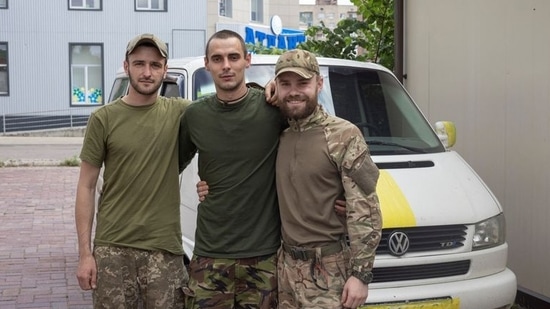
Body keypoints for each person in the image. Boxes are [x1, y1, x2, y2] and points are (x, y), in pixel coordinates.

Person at [75, 33, 191, 308]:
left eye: (155, 64)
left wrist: (268, 90)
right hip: (112, 249)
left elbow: (226, 110)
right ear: (126, 66)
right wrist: (85, 254)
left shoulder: (181, 113)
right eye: (139, 63)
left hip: (164, 250)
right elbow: (86, 186)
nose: (147, 72)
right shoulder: (103, 119)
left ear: (165, 69)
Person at [178, 29, 284, 308]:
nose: (226, 65)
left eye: (233, 57)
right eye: (218, 58)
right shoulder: (195, 116)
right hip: (210, 254)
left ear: (247, 60)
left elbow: (312, 145)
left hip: (263, 257)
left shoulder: (273, 110)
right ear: (207, 64)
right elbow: (171, 165)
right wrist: (197, 185)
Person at [274, 49, 383, 308]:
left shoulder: (344, 135)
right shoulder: (279, 132)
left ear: (319, 83)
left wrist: (361, 275)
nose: (294, 91)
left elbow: (366, 210)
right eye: (285, 84)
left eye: (303, 83)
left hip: (329, 271)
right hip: (286, 270)